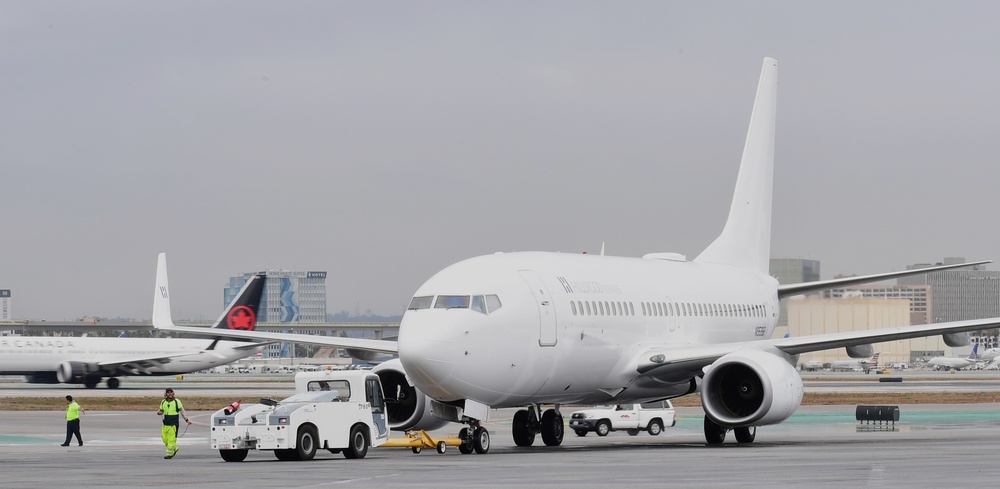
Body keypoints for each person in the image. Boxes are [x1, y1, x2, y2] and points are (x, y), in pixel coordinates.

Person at [156, 388, 192, 459]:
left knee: (171, 440)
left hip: (173, 425)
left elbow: (182, 411)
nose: (170, 394)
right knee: (164, 439)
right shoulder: (163, 402)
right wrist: (159, 412)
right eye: (168, 393)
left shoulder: (177, 402)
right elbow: (161, 410)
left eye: (171, 392)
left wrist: (187, 419)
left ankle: (169, 454)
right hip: (165, 424)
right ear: (166, 394)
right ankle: (175, 448)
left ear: (173, 393)